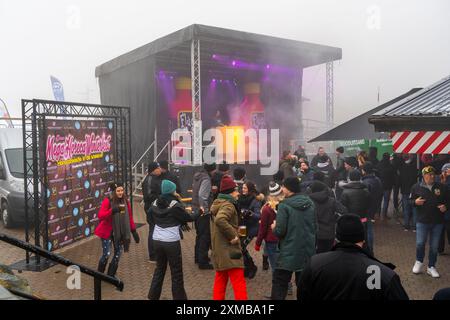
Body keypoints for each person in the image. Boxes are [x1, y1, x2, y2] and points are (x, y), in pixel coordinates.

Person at [299, 214, 409, 300]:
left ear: (337, 237)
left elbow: (303, 295)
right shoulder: (383, 274)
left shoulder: (315, 265)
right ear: (363, 239)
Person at [147, 180, 199, 300]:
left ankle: (153, 297)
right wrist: (199, 212)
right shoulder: (175, 205)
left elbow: (149, 217)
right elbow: (188, 217)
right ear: (172, 191)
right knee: (176, 273)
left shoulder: (154, 203)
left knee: (159, 269)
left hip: (157, 240)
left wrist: (158, 224)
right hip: (171, 241)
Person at [271, 177, 316, 300]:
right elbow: (315, 227)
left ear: (288, 188)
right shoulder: (310, 203)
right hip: (307, 250)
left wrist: (274, 227)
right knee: (304, 285)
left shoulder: (284, 206)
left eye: (283, 186)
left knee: (280, 282)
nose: (282, 188)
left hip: (289, 251)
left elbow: (280, 231)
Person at [210, 175, 248, 300]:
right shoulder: (229, 205)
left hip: (220, 250)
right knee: (239, 283)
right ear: (230, 192)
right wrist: (233, 235)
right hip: (230, 250)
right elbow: (220, 220)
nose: (238, 193)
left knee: (220, 281)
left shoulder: (218, 203)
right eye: (236, 190)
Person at [95, 182, 140, 277]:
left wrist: (133, 230)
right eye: (118, 191)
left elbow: (129, 217)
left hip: (119, 232)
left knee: (117, 254)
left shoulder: (125, 201)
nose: (120, 193)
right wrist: (112, 211)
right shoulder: (108, 201)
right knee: (106, 254)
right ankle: (99, 275)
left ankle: (111, 275)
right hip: (107, 232)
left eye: (122, 190)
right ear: (114, 191)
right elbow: (100, 216)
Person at [411, 166, 449, 278]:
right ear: (424, 176)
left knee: (434, 246)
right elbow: (409, 201)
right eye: (429, 175)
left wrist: (446, 206)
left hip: (438, 221)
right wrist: (415, 202)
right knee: (420, 243)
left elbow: (448, 201)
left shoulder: (441, 187)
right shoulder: (416, 187)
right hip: (422, 221)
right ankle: (418, 261)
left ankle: (431, 266)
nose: (432, 176)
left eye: (433, 174)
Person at [307, 181, 347, 253]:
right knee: (328, 254)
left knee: (316, 255)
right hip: (329, 233)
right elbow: (344, 211)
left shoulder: (309, 201)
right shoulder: (332, 201)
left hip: (315, 234)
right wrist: (336, 218)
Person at [192, 163, 216, 270]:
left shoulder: (198, 176)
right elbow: (202, 196)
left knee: (199, 234)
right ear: (212, 170)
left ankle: (198, 257)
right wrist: (206, 210)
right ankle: (203, 261)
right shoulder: (206, 179)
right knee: (204, 236)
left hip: (195, 209)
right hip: (202, 211)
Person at [238, 181, 263, 279]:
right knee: (240, 247)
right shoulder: (240, 198)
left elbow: (259, 216)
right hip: (242, 226)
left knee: (242, 245)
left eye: (245, 188)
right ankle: (248, 267)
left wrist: (250, 213)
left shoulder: (255, 200)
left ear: (250, 189)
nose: (243, 190)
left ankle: (251, 267)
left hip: (252, 227)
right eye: (242, 188)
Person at [341, 170, 370, 252]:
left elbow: (343, 208)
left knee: (351, 239)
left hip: (351, 220)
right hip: (363, 219)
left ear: (350, 178)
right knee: (363, 238)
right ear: (360, 178)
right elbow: (369, 204)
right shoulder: (365, 190)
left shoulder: (345, 192)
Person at [361, 162, 383, 254]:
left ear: (364, 171)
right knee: (369, 228)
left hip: (366, 210)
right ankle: (370, 249)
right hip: (374, 207)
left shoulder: (365, 182)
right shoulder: (377, 179)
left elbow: (364, 197)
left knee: (367, 230)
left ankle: (369, 250)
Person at [399, 154, 419, 231]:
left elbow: (400, 180)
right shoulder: (415, 168)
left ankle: (406, 226)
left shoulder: (402, 168)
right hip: (414, 191)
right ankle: (414, 227)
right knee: (414, 209)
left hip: (405, 191)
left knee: (406, 209)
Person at [377, 153, 395, 220]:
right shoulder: (391, 166)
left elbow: (377, 175)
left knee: (379, 200)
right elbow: (393, 176)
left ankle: (378, 213)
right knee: (386, 201)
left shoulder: (378, 165)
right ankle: (384, 214)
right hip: (388, 186)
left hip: (380, 186)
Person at [438, 163, 450, 254]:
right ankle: (440, 249)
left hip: (447, 210)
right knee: (440, 231)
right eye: (444, 171)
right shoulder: (438, 180)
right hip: (439, 211)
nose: (445, 173)